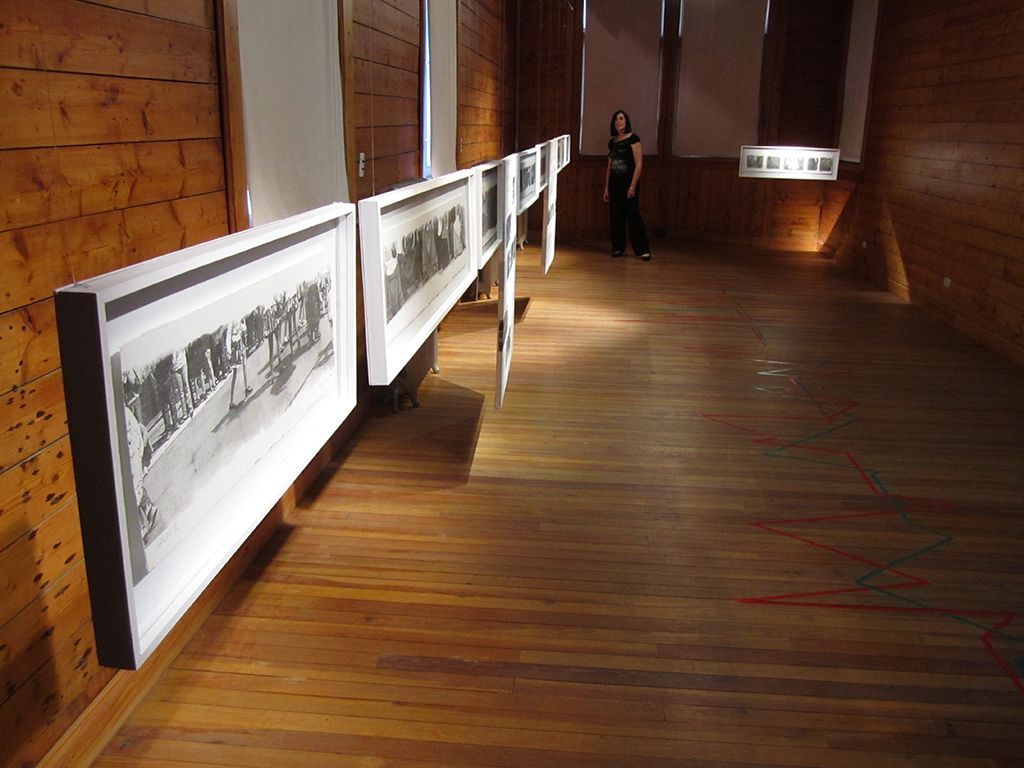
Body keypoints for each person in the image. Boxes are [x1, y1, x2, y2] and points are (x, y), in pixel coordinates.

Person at [603, 109, 651, 261]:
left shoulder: (634, 139)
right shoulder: (612, 142)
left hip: (629, 183)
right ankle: (618, 248)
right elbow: (609, 166)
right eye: (616, 119)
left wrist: (632, 187)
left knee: (633, 215)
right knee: (615, 215)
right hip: (614, 183)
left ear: (626, 121)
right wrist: (606, 187)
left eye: (621, 119)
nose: (618, 122)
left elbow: (639, 164)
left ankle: (642, 250)